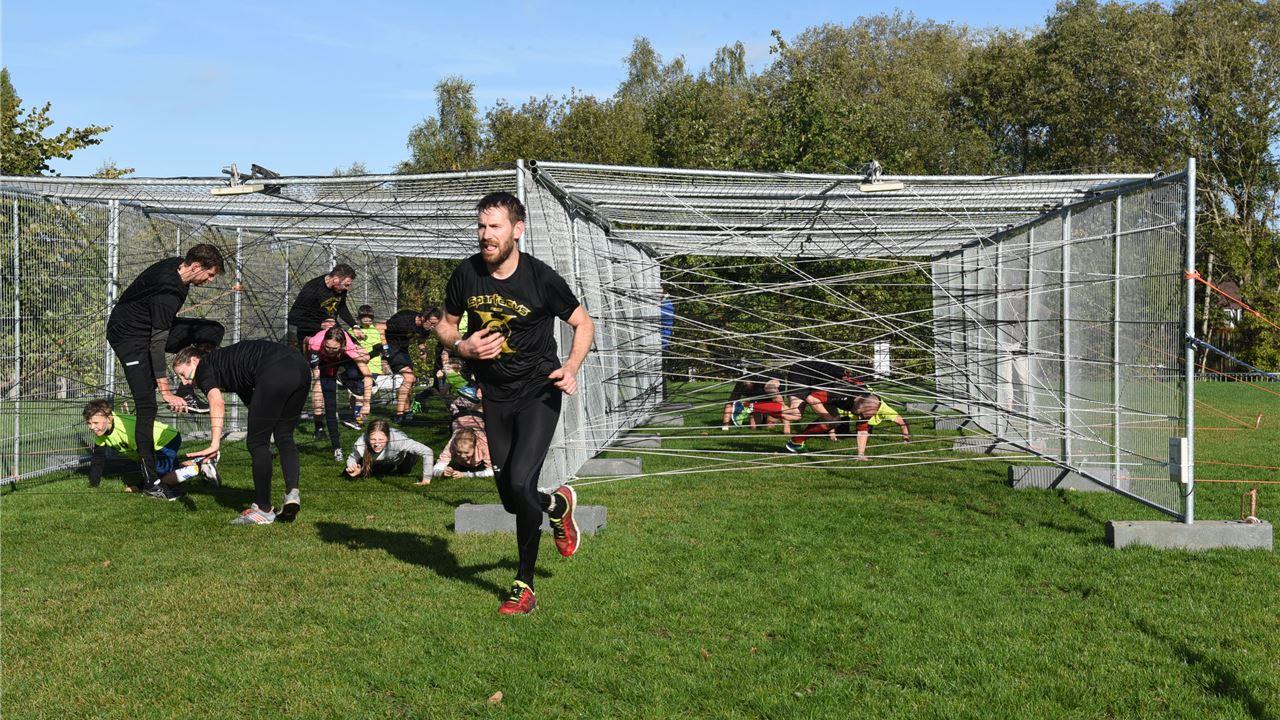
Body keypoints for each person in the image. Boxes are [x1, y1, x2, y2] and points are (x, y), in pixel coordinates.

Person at [435, 190, 596, 615]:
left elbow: (583, 323)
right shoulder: (466, 274)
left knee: (522, 484)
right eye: (481, 226)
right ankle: (557, 505)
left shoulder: (541, 278)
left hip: (539, 391)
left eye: (495, 227)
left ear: (517, 230)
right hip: (496, 397)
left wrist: (571, 367)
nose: (486, 235)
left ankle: (524, 586)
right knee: (511, 498)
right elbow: (445, 326)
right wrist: (463, 346)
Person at [105, 244, 225, 496]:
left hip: (150, 326)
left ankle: (188, 389)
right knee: (147, 405)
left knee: (212, 331)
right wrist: (166, 392)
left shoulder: (177, 266)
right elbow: (156, 345)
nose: (210, 280)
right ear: (196, 266)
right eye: (210, 274)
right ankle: (151, 483)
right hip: (128, 338)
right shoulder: (167, 294)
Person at [173, 341, 311, 525]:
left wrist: (214, 444)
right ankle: (292, 494)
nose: (185, 382)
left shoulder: (204, 367)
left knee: (256, 443)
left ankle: (263, 510)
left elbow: (216, 402)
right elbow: (254, 403)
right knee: (284, 435)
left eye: (183, 374)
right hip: (301, 367)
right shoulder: (229, 365)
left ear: (194, 360)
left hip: (275, 369)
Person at [83, 399, 216, 498]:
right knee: (165, 470)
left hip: (166, 439)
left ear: (109, 418)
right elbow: (98, 458)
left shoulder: (126, 429)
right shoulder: (101, 432)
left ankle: (200, 467)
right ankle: (201, 462)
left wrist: (144, 485)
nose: (92, 427)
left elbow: (145, 458)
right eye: (89, 423)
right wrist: (94, 484)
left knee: (161, 480)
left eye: (95, 423)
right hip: (153, 445)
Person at [307, 326, 373, 461]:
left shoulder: (349, 349)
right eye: (328, 347)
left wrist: (366, 403)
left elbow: (368, 376)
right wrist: (312, 365)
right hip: (324, 364)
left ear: (342, 345)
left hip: (342, 359)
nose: (330, 350)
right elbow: (306, 341)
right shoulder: (315, 343)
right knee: (329, 405)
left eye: (334, 348)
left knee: (364, 359)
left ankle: (346, 376)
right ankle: (336, 447)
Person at [285, 263, 364, 351]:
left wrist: (354, 326)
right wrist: (320, 326)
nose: (347, 288)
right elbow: (293, 317)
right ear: (335, 279)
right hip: (311, 333)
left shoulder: (340, 289)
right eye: (346, 285)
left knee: (357, 350)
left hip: (332, 331)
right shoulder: (312, 288)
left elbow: (341, 307)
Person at [382, 308, 436, 423]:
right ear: (423, 318)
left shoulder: (425, 327)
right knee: (409, 377)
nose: (433, 327)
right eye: (432, 323)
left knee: (412, 380)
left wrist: (423, 350)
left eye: (435, 325)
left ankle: (406, 412)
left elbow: (421, 339)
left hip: (403, 350)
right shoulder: (403, 319)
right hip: (392, 348)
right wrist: (385, 350)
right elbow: (380, 327)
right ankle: (399, 415)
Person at [344, 419, 434, 484]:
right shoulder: (361, 442)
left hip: (401, 458)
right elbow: (353, 458)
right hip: (383, 458)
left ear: (388, 437)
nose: (376, 444)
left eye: (381, 439)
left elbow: (427, 451)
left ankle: (408, 459)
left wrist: (426, 479)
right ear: (368, 438)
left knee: (404, 471)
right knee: (350, 473)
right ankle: (387, 465)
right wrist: (352, 468)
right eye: (373, 439)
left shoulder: (398, 440)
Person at [843, 394, 911, 460]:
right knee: (842, 434)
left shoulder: (885, 410)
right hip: (850, 412)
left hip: (869, 419)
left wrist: (906, 439)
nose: (860, 417)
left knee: (864, 431)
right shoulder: (847, 403)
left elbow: (902, 422)